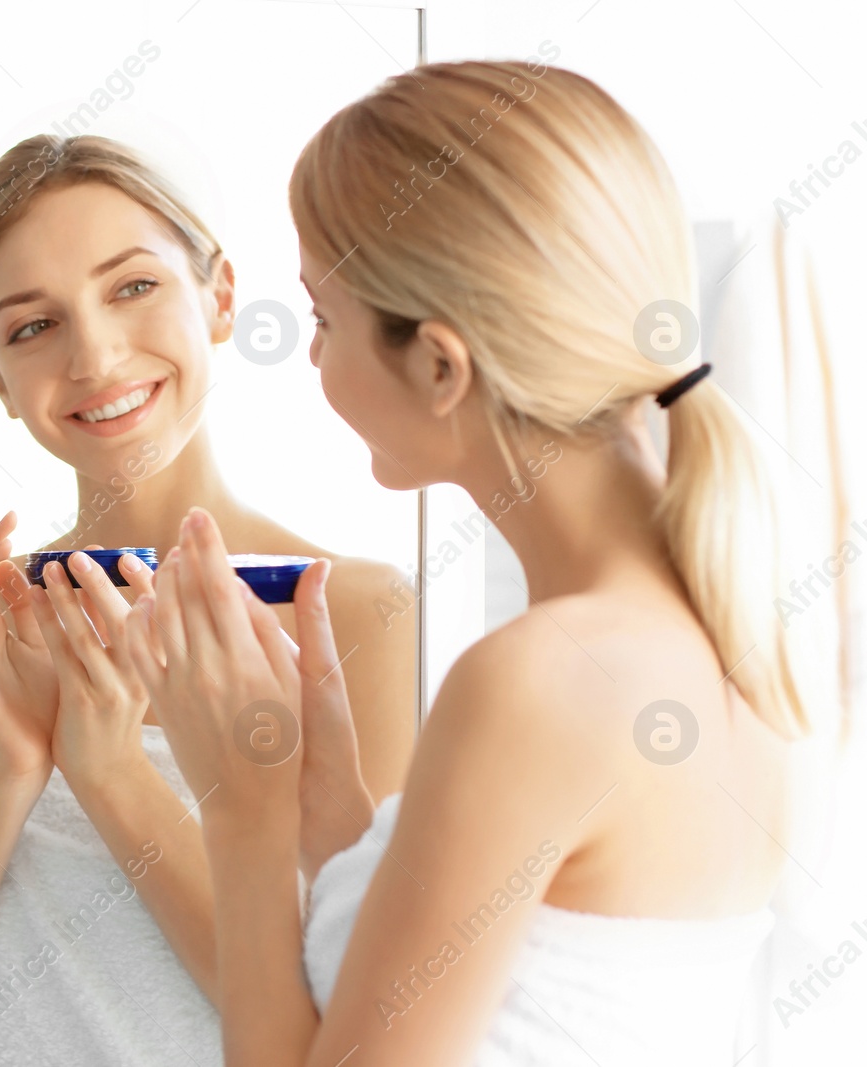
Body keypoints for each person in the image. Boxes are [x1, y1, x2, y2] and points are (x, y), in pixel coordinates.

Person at [124, 61, 835, 1066]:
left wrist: (237, 812)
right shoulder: (721, 638)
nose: (311, 357)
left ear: (439, 365)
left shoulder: (543, 680)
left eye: (323, 320)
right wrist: (338, 828)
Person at [0, 135, 419, 1066]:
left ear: (219, 297)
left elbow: (346, 1027)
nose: (93, 354)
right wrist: (11, 776)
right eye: (31, 326)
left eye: (132, 287)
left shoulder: (360, 613)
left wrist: (108, 775)